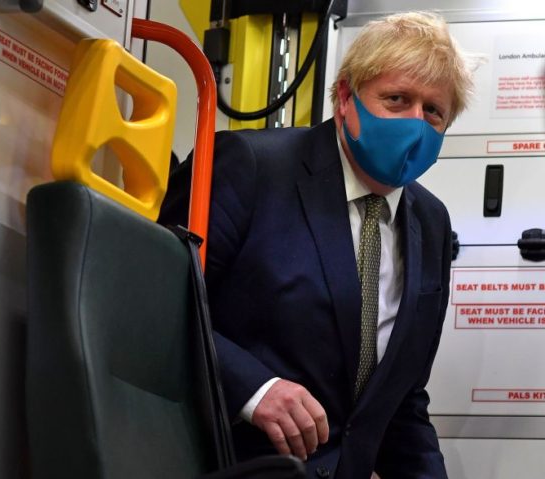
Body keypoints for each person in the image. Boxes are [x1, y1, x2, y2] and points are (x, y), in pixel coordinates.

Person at [160, 11, 476, 479]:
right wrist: (255, 388)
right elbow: (158, 305)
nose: (416, 124)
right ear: (346, 97)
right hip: (226, 463)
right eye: (397, 99)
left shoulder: (430, 223)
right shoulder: (248, 167)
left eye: (433, 112)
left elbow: (402, 401)